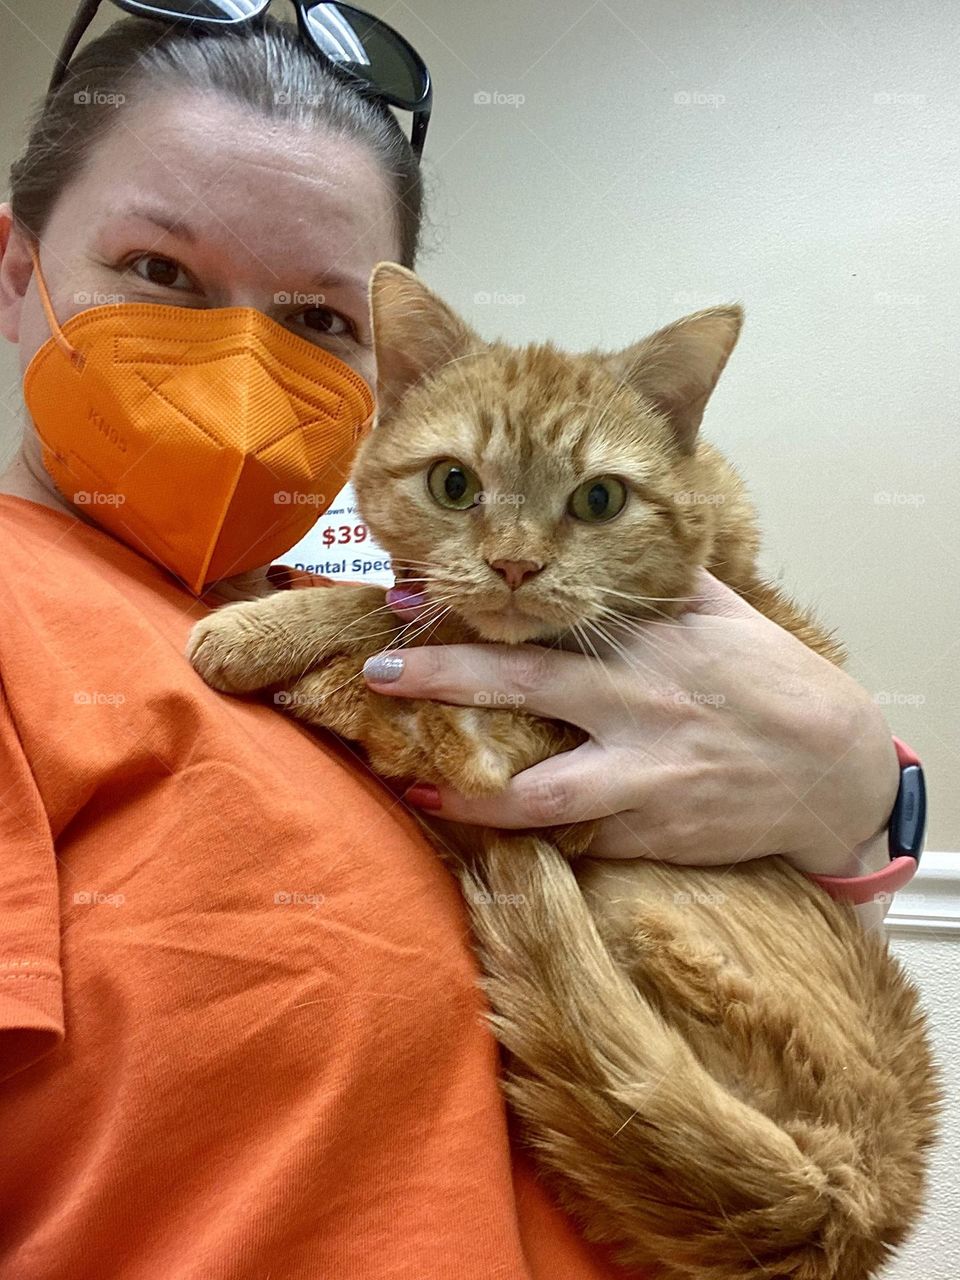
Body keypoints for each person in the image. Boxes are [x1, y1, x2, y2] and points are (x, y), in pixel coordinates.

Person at [0, 5, 912, 1278]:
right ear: (13, 269)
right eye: (160, 271)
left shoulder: (402, 589)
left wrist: (872, 791)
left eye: (320, 318)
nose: (245, 357)